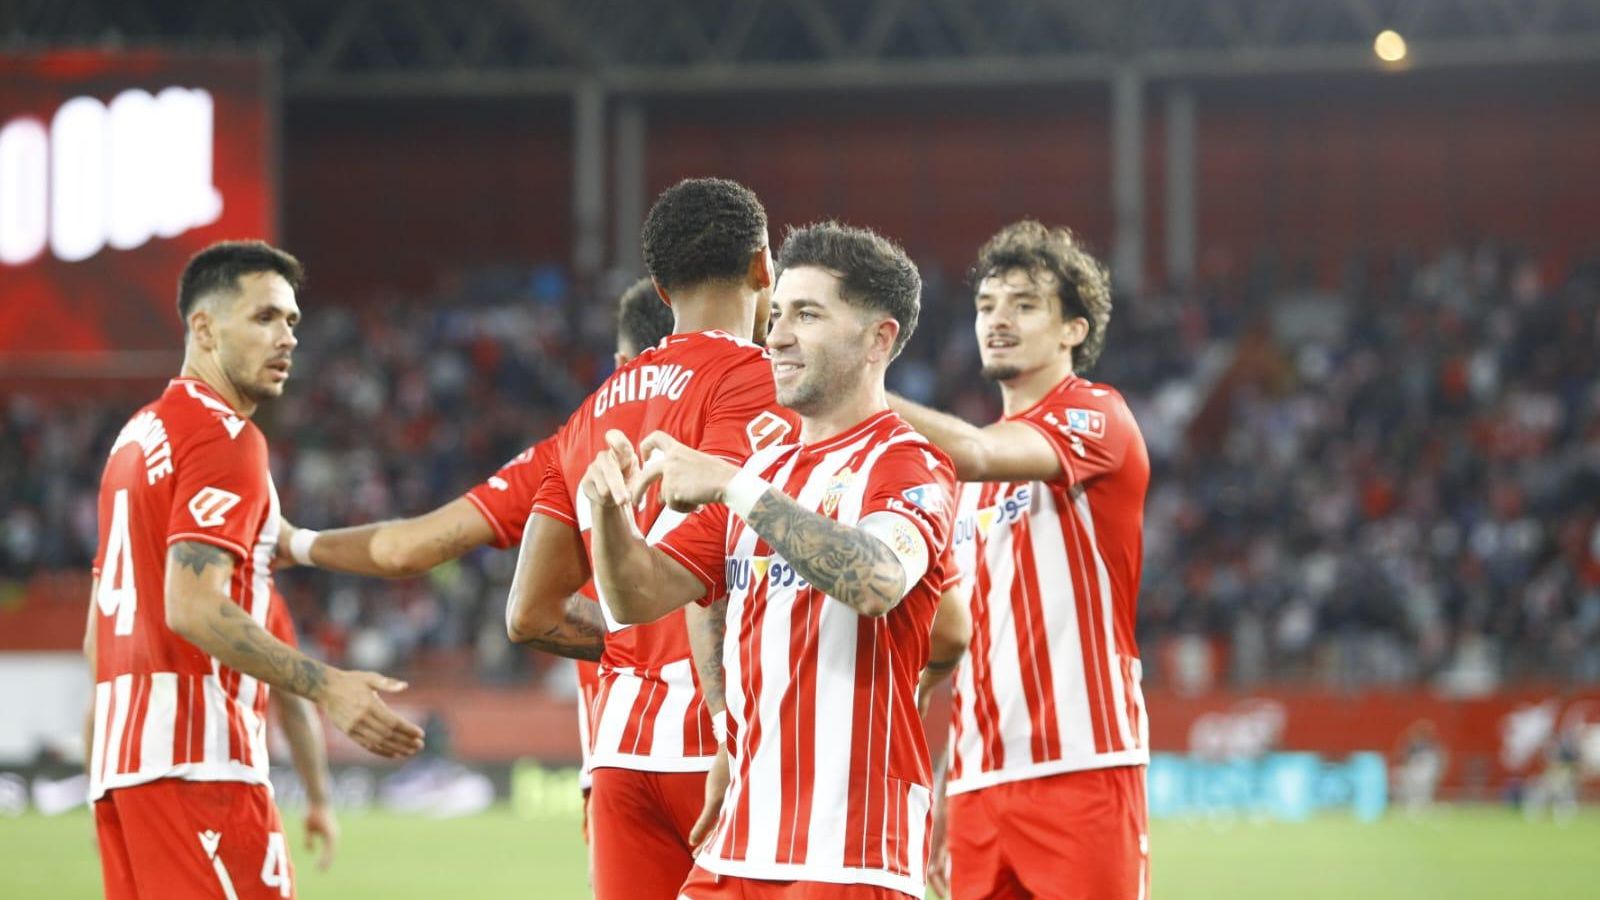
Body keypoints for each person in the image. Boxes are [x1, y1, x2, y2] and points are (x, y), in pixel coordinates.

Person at [583, 221, 955, 899]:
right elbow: (634, 599)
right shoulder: (764, 466)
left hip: (848, 855)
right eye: (777, 312)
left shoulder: (908, 464)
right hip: (740, 845)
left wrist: (733, 484)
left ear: (879, 339)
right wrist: (606, 515)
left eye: (807, 315)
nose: (776, 335)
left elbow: (874, 581)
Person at [274, 276, 676, 838]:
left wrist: (293, 542)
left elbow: (408, 547)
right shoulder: (764, 435)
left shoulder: (573, 446)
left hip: (629, 770)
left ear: (621, 361)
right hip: (749, 760)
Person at [84, 240, 424, 900]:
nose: (287, 338)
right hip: (201, 771)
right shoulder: (226, 438)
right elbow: (193, 605)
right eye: (265, 317)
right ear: (204, 329)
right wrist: (331, 685)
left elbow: (96, 638)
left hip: (123, 779)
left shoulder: (134, 441)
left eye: (293, 321)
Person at [506, 177, 798, 900]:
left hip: (621, 748)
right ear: (766, 266)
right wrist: (723, 712)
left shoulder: (592, 410)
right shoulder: (760, 381)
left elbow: (529, 613)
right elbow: (707, 567)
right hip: (718, 738)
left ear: (661, 292)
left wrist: (638, 655)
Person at [888, 221, 1151, 900]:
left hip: (1082, 771)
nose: (997, 319)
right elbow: (975, 643)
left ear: (1073, 329)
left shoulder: (1099, 418)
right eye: (985, 306)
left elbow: (976, 449)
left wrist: (851, 392)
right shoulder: (964, 477)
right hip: (978, 789)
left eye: (1025, 304)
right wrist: (948, 782)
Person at [265, 587, 338, 873]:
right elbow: (293, 704)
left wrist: (319, 802)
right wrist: (319, 802)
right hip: (225, 783)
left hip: (123, 783)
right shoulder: (255, 595)